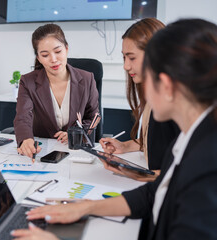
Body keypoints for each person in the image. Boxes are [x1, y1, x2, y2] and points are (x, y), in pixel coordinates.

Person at [11, 18, 217, 240]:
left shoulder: (205, 167)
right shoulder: (190, 140)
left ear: (165, 85)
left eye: (145, 75)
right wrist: (85, 207)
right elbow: (153, 193)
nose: (127, 68)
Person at [99, 18, 180, 182]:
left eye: (132, 58)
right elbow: (156, 142)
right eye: (124, 58)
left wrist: (131, 172)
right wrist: (125, 146)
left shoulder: (174, 103)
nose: (126, 66)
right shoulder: (152, 94)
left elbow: (182, 176)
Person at [14, 23, 99, 158]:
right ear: (39, 58)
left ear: (66, 49)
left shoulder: (87, 78)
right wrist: (26, 140)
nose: (53, 59)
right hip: (43, 152)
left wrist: (77, 132)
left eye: (58, 51)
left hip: (76, 152)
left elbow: (93, 116)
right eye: (45, 55)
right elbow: (23, 117)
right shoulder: (28, 82)